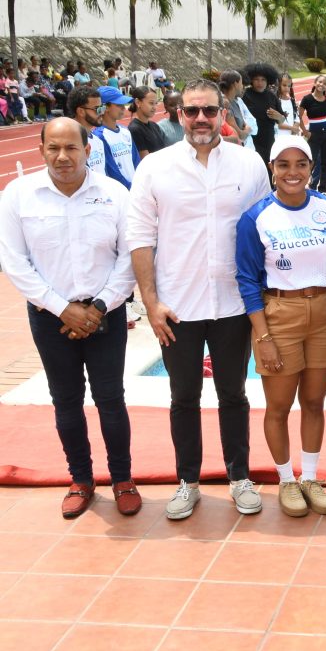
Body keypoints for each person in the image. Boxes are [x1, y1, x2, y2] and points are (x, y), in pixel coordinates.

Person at [127, 78, 272, 520]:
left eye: (209, 110)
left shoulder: (249, 166)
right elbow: (139, 238)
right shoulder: (155, 169)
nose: (201, 120)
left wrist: (263, 301)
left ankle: (239, 477)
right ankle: (187, 482)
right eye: (192, 111)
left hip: (232, 305)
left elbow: (266, 233)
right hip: (178, 308)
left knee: (233, 395)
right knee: (183, 397)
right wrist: (151, 304)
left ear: (223, 113)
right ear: (178, 115)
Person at [0, 118, 138, 519]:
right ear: (41, 150)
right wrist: (63, 309)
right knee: (66, 401)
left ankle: (123, 479)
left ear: (87, 150)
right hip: (50, 317)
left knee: (111, 400)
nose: (62, 157)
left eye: (71, 148)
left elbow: (129, 256)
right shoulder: (18, 195)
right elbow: (13, 261)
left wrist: (96, 308)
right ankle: (80, 479)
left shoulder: (114, 194)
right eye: (53, 148)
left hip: (105, 315)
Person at [235, 135, 326, 518]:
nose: (292, 172)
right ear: (272, 169)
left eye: (300, 164)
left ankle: (311, 478)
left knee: (315, 401)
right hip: (279, 313)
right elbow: (247, 280)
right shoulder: (256, 217)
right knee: (280, 404)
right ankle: (286, 479)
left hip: (322, 312)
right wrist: (263, 335)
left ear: (310, 168)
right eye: (283, 164)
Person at [94, 86, 139, 189]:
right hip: (121, 191)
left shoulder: (125, 131)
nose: (124, 108)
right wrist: (128, 187)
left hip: (135, 188)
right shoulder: (99, 136)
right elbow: (111, 170)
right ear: (105, 107)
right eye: (119, 105)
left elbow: (136, 160)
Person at [242, 63, 285, 167]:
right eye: (256, 79)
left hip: (268, 139)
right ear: (251, 80)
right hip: (251, 139)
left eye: (263, 79)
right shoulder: (245, 95)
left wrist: (279, 117)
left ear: (268, 81)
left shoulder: (272, 96)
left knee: (268, 167)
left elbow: (282, 119)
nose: (260, 83)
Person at [298, 74, 326, 193]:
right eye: (319, 82)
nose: (321, 85)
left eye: (324, 83)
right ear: (315, 83)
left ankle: (322, 190)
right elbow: (298, 116)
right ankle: (306, 187)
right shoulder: (307, 99)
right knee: (310, 161)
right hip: (313, 134)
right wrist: (305, 132)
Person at [68, 86, 106, 174]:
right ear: (81, 111)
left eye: (102, 107)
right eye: (97, 109)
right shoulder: (68, 143)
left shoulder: (98, 141)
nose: (102, 112)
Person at [127, 85, 168, 158]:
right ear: (138, 102)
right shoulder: (134, 130)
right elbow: (145, 159)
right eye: (151, 103)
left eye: (156, 103)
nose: (155, 107)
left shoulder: (154, 125)